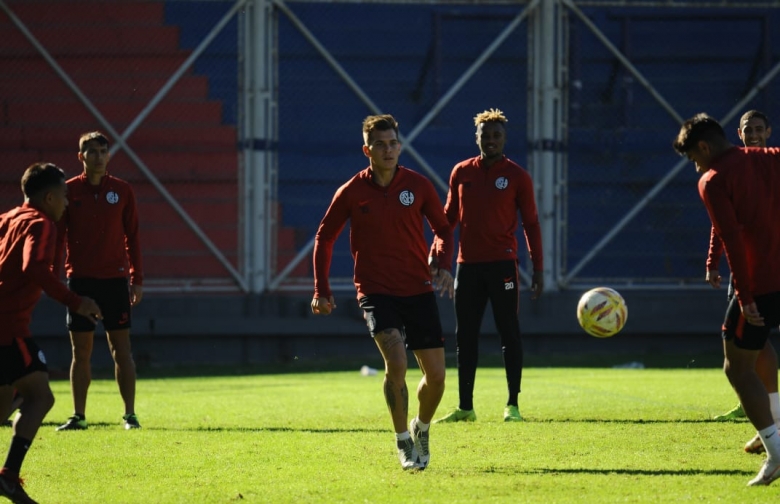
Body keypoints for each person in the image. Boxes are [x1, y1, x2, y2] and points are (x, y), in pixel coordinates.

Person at [311, 114, 454, 470]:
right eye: (380, 145)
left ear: (399, 147)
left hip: (417, 288)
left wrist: (440, 260)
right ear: (367, 151)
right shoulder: (351, 191)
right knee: (397, 364)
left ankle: (421, 427)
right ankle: (403, 440)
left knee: (437, 377)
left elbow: (443, 228)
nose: (388, 150)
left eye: (393, 144)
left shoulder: (418, 186)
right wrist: (321, 289)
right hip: (376, 291)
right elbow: (324, 237)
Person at [673, 113, 780, 486]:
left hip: (762, 284)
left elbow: (732, 238)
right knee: (760, 349)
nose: (695, 166)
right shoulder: (771, 157)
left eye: (693, 158)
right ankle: (776, 422)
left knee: (737, 366)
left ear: (703, 147)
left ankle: (776, 450)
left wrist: (745, 297)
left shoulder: (713, 180)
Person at [433, 108, 543, 424]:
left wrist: (538, 268)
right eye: (486, 135)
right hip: (468, 266)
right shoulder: (461, 172)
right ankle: (465, 407)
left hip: (503, 265)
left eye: (496, 135)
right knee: (465, 336)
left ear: (504, 138)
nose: (491, 140)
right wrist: (438, 255)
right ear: (476, 137)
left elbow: (531, 224)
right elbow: (447, 220)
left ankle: (512, 405)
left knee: (509, 332)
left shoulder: (518, 176)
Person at [0, 163, 102, 503]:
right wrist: (75, 301)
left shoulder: (8, 218)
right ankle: (8, 478)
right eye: (64, 196)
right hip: (8, 327)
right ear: (48, 197)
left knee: (5, 403)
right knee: (41, 397)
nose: (67, 202)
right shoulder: (41, 224)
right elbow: (34, 267)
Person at [55, 131, 144, 432]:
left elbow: (133, 236)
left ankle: (130, 415)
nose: (98, 157)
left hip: (115, 281)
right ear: (80, 156)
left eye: (103, 151)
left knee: (121, 350)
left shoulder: (122, 190)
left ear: (109, 155)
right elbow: (58, 238)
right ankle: (78, 416)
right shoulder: (68, 191)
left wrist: (137, 278)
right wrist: (54, 274)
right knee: (80, 352)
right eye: (92, 151)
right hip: (80, 282)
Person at [707, 111, 780, 454]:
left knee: (746, 350)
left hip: (770, 270)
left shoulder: (772, 164)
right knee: (755, 344)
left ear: (769, 132)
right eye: (748, 130)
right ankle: (771, 417)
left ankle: (771, 423)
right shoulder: (735, 169)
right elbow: (721, 221)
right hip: (747, 270)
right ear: (739, 133)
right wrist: (712, 260)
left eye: (758, 129)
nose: (753, 134)